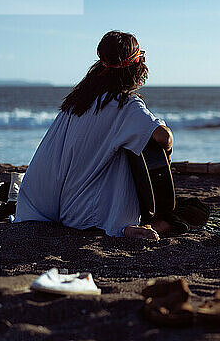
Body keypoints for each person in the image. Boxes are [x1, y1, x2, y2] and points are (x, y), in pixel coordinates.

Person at [13, 31, 174, 240]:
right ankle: (133, 228)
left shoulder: (78, 101)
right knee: (192, 210)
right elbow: (164, 138)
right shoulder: (126, 106)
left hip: (54, 208)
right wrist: (166, 152)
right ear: (135, 66)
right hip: (93, 215)